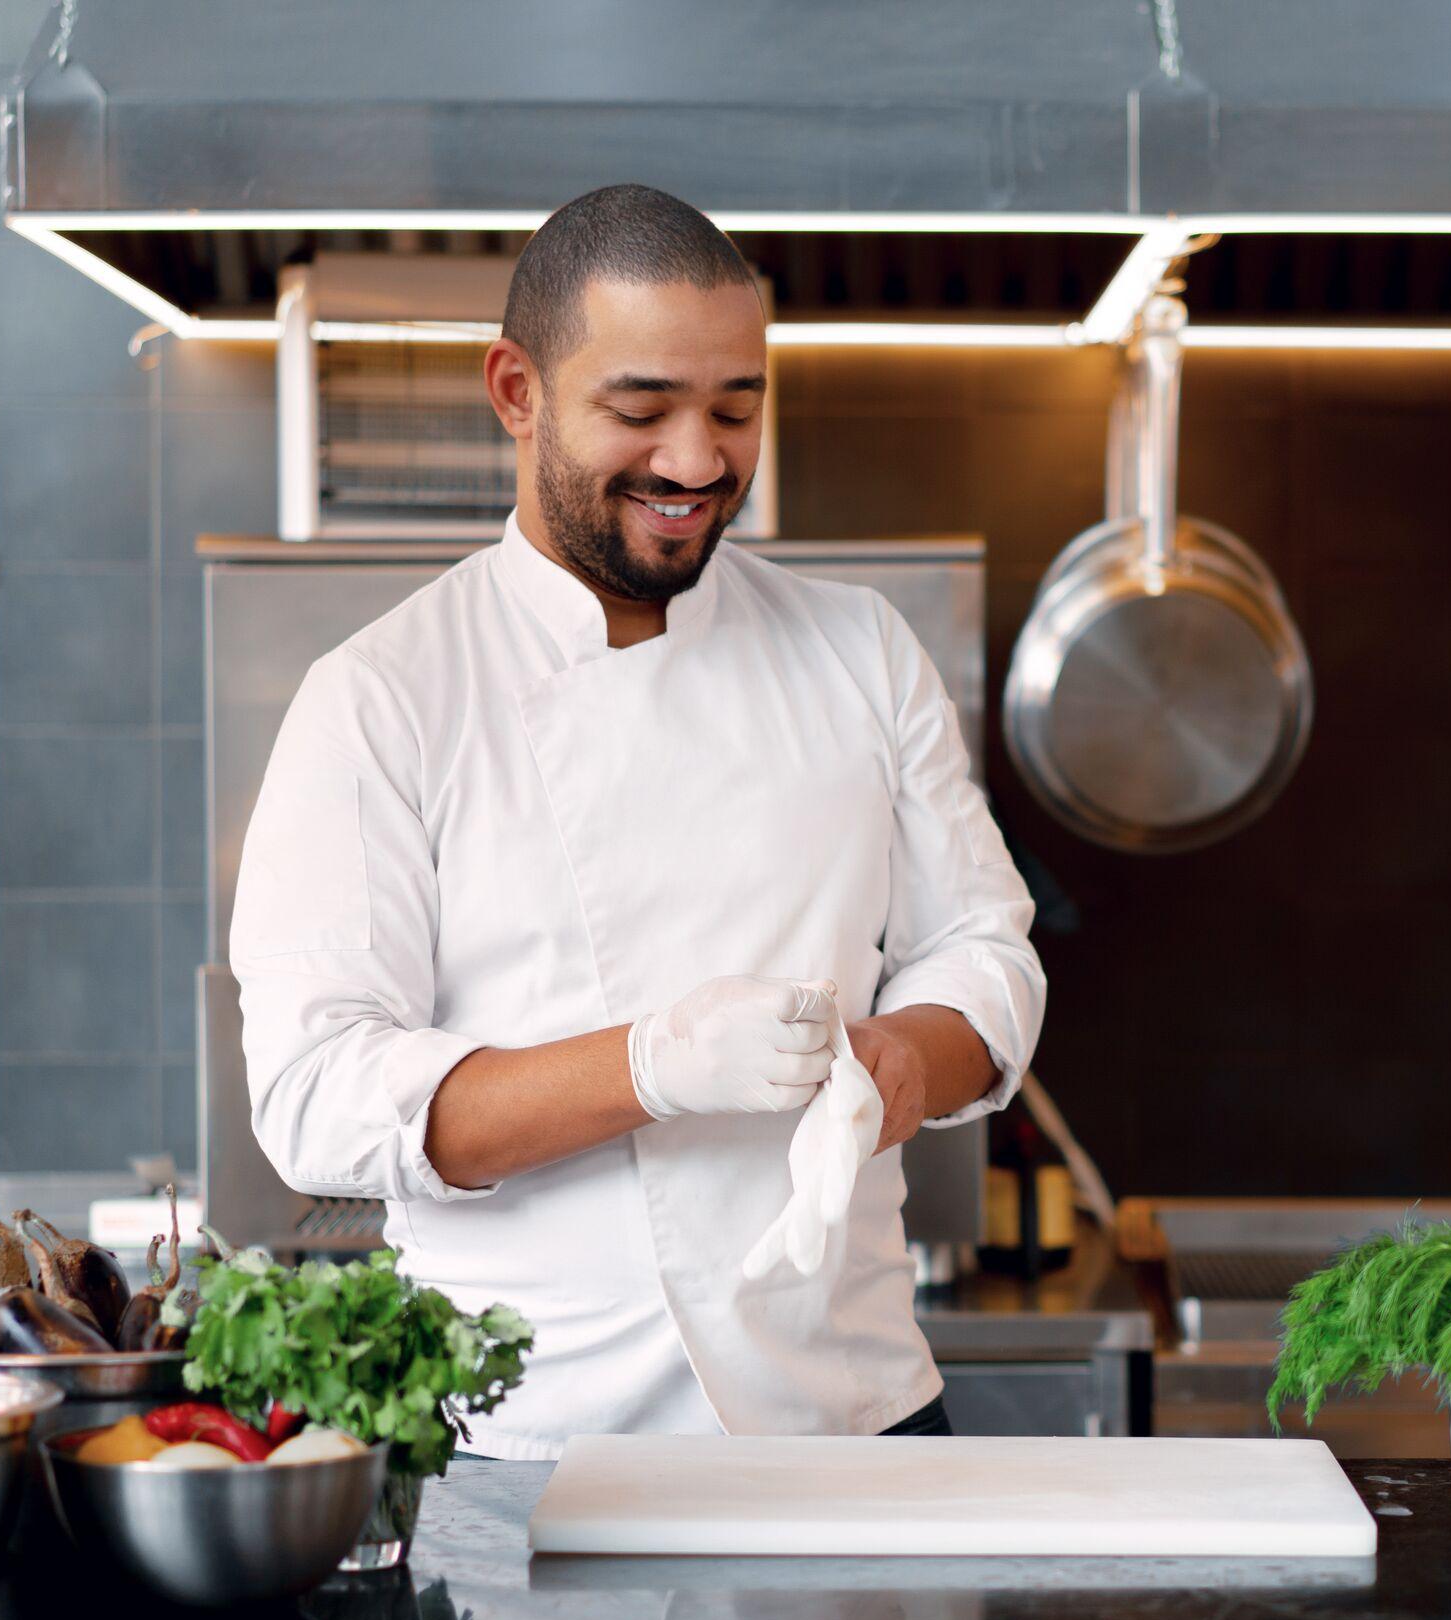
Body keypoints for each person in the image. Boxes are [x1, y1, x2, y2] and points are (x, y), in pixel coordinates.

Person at [230, 184, 1044, 1457]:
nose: (697, 460)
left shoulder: (861, 651)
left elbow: (986, 954)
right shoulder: (383, 697)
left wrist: (903, 1066)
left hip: (853, 1422)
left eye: (735, 406)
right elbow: (314, 1095)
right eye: (642, 408)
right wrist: (648, 1066)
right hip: (526, 1444)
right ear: (517, 391)